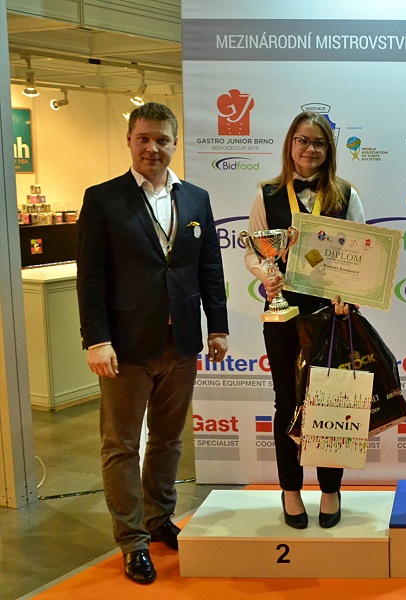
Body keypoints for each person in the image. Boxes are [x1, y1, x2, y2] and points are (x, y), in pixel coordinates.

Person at [76, 102, 229, 584]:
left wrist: (218, 327)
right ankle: (132, 541)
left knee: (167, 439)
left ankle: (160, 518)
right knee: (121, 445)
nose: (152, 148)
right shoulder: (103, 199)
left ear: (175, 144)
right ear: (129, 140)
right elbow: (91, 277)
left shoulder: (197, 199)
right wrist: (97, 339)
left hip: (181, 342)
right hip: (125, 347)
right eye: (143, 138)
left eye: (162, 139)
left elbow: (209, 268)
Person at [244, 111, 363, 530]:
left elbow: (361, 253)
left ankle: (331, 489)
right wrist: (267, 275)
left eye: (319, 142)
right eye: (302, 140)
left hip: (333, 314)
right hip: (283, 312)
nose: (310, 149)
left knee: (332, 401)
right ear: (290, 144)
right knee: (286, 402)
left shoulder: (346, 194)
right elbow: (253, 251)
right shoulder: (267, 194)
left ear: (329, 149)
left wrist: (349, 294)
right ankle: (290, 490)